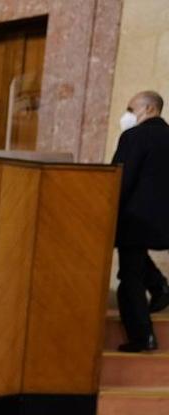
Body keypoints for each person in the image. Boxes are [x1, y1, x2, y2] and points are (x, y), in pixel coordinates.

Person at [111, 90, 169, 352]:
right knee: (135, 260)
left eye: (131, 109)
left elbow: (119, 180)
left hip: (135, 219)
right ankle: (159, 286)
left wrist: (109, 209)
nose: (127, 115)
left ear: (149, 109)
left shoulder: (134, 137)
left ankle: (142, 336)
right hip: (162, 220)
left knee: (129, 277)